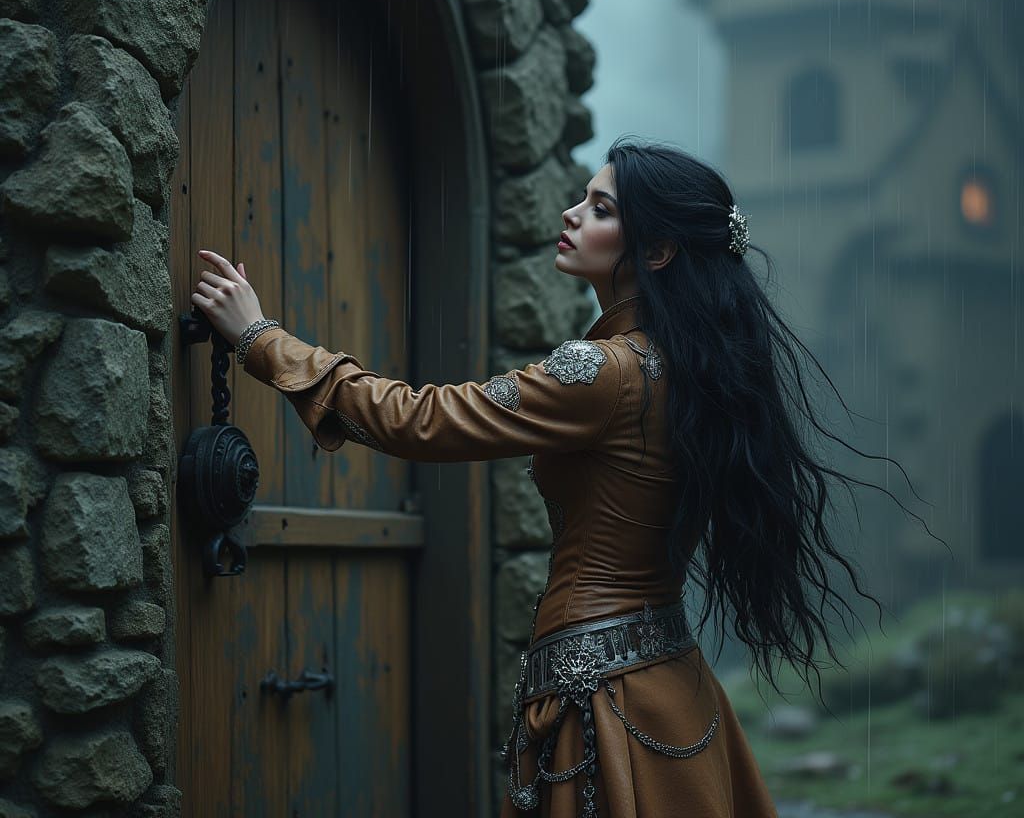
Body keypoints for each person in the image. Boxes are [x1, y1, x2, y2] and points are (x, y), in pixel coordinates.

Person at [191, 136, 914, 817]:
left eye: (602, 209)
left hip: (602, 696)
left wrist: (262, 339)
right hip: (673, 681)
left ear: (657, 250)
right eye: (584, 199)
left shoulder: (606, 372)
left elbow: (420, 418)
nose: (572, 213)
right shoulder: (697, 369)